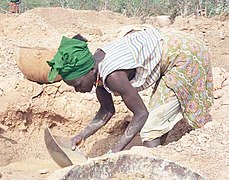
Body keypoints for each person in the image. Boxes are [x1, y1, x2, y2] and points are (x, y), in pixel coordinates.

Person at [47, 26, 213, 153]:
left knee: (150, 131)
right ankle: (158, 155)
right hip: (170, 47)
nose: (77, 90)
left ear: (89, 71)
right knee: (157, 119)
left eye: (77, 84)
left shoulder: (113, 76)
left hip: (184, 55)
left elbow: (141, 113)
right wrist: (81, 135)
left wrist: (114, 152)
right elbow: (106, 110)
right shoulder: (95, 67)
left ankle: (153, 167)